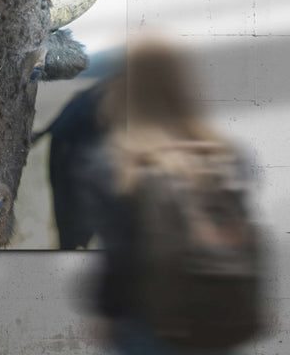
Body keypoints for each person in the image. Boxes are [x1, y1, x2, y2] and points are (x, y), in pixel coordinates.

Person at [93, 36, 262, 355]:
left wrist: (107, 313)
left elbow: (119, 256)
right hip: (219, 316)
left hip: (149, 324)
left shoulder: (121, 161)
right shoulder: (229, 155)